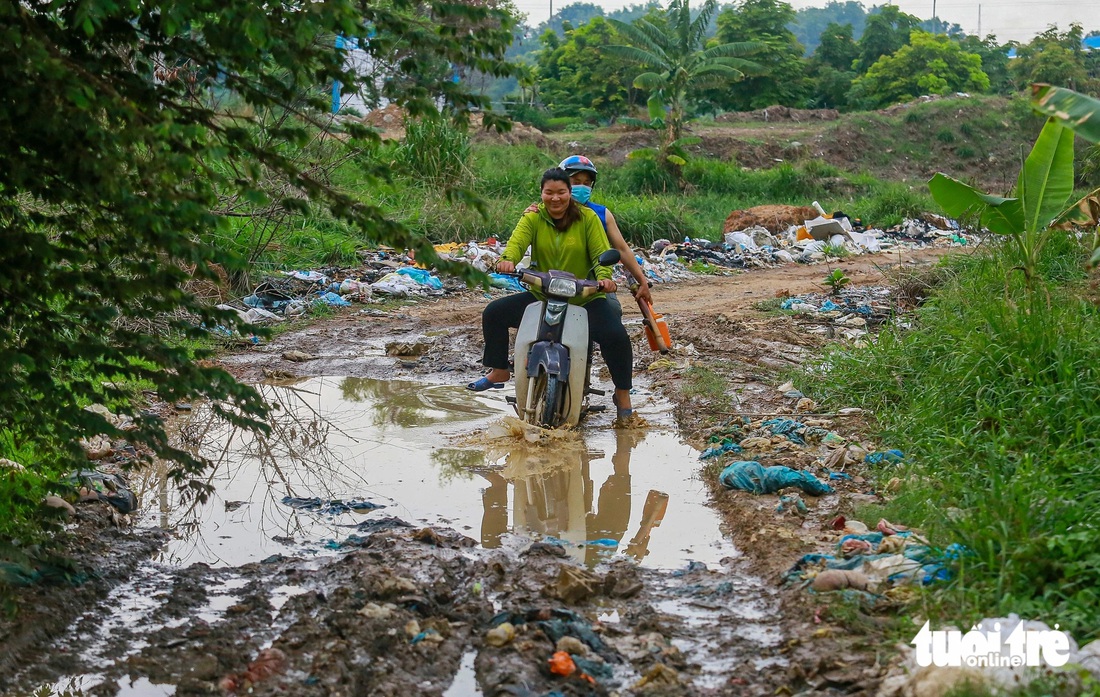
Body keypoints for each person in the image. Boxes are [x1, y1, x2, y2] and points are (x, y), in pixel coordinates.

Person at [467, 167, 634, 419]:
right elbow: (516, 242)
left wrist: (604, 279)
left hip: (585, 298)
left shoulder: (588, 218)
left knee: (616, 336)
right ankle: (500, 370)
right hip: (542, 294)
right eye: (549, 193)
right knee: (494, 313)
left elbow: (602, 254)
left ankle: (622, 393)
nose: (555, 198)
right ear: (541, 194)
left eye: (561, 192)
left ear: (569, 193)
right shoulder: (533, 218)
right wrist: (507, 260)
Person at [527, 155, 652, 311]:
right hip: (549, 284)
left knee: (612, 311)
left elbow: (621, 249)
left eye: (586, 184)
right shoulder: (543, 212)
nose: (582, 187)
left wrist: (642, 281)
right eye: (576, 182)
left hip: (592, 286)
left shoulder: (600, 214)